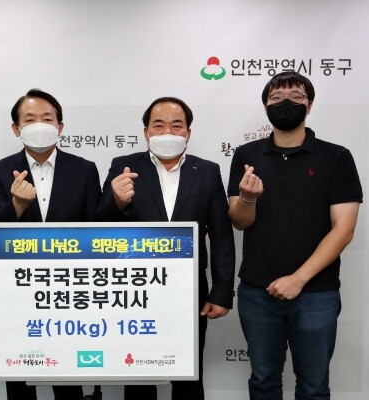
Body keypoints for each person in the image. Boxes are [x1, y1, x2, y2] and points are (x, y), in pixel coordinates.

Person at [227, 71, 363, 400]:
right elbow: (239, 221)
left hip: (316, 293)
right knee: (263, 380)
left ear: (309, 105)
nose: (285, 103)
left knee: (314, 387)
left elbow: (344, 229)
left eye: (296, 97)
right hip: (257, 292)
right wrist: (248, 198)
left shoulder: (336, 157)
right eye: (276, 98)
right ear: (265, 107)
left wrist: (298, 279)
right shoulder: (247, 156)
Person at [95, 97, 235, 400]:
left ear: (188, 133)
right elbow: (99, 227)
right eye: (158, 125)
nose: (168, 132)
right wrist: (116, 201)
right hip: (136, 288)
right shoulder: (124, 166)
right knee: (138, 375)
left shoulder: (207, 171)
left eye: (176, 125)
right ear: (146, 132)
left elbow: (221, 236)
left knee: (188, 374)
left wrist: (221, 292)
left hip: (190, 290)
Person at [0, 89, 101, 400]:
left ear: (60, 126)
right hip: (18, 288)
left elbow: (96, 229)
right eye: (30, 119)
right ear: (16, 128)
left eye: (47, 119)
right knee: (18, 376)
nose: (39, 125)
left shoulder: (84, 169)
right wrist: (17, 205)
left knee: (68, 378)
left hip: (69, 289)